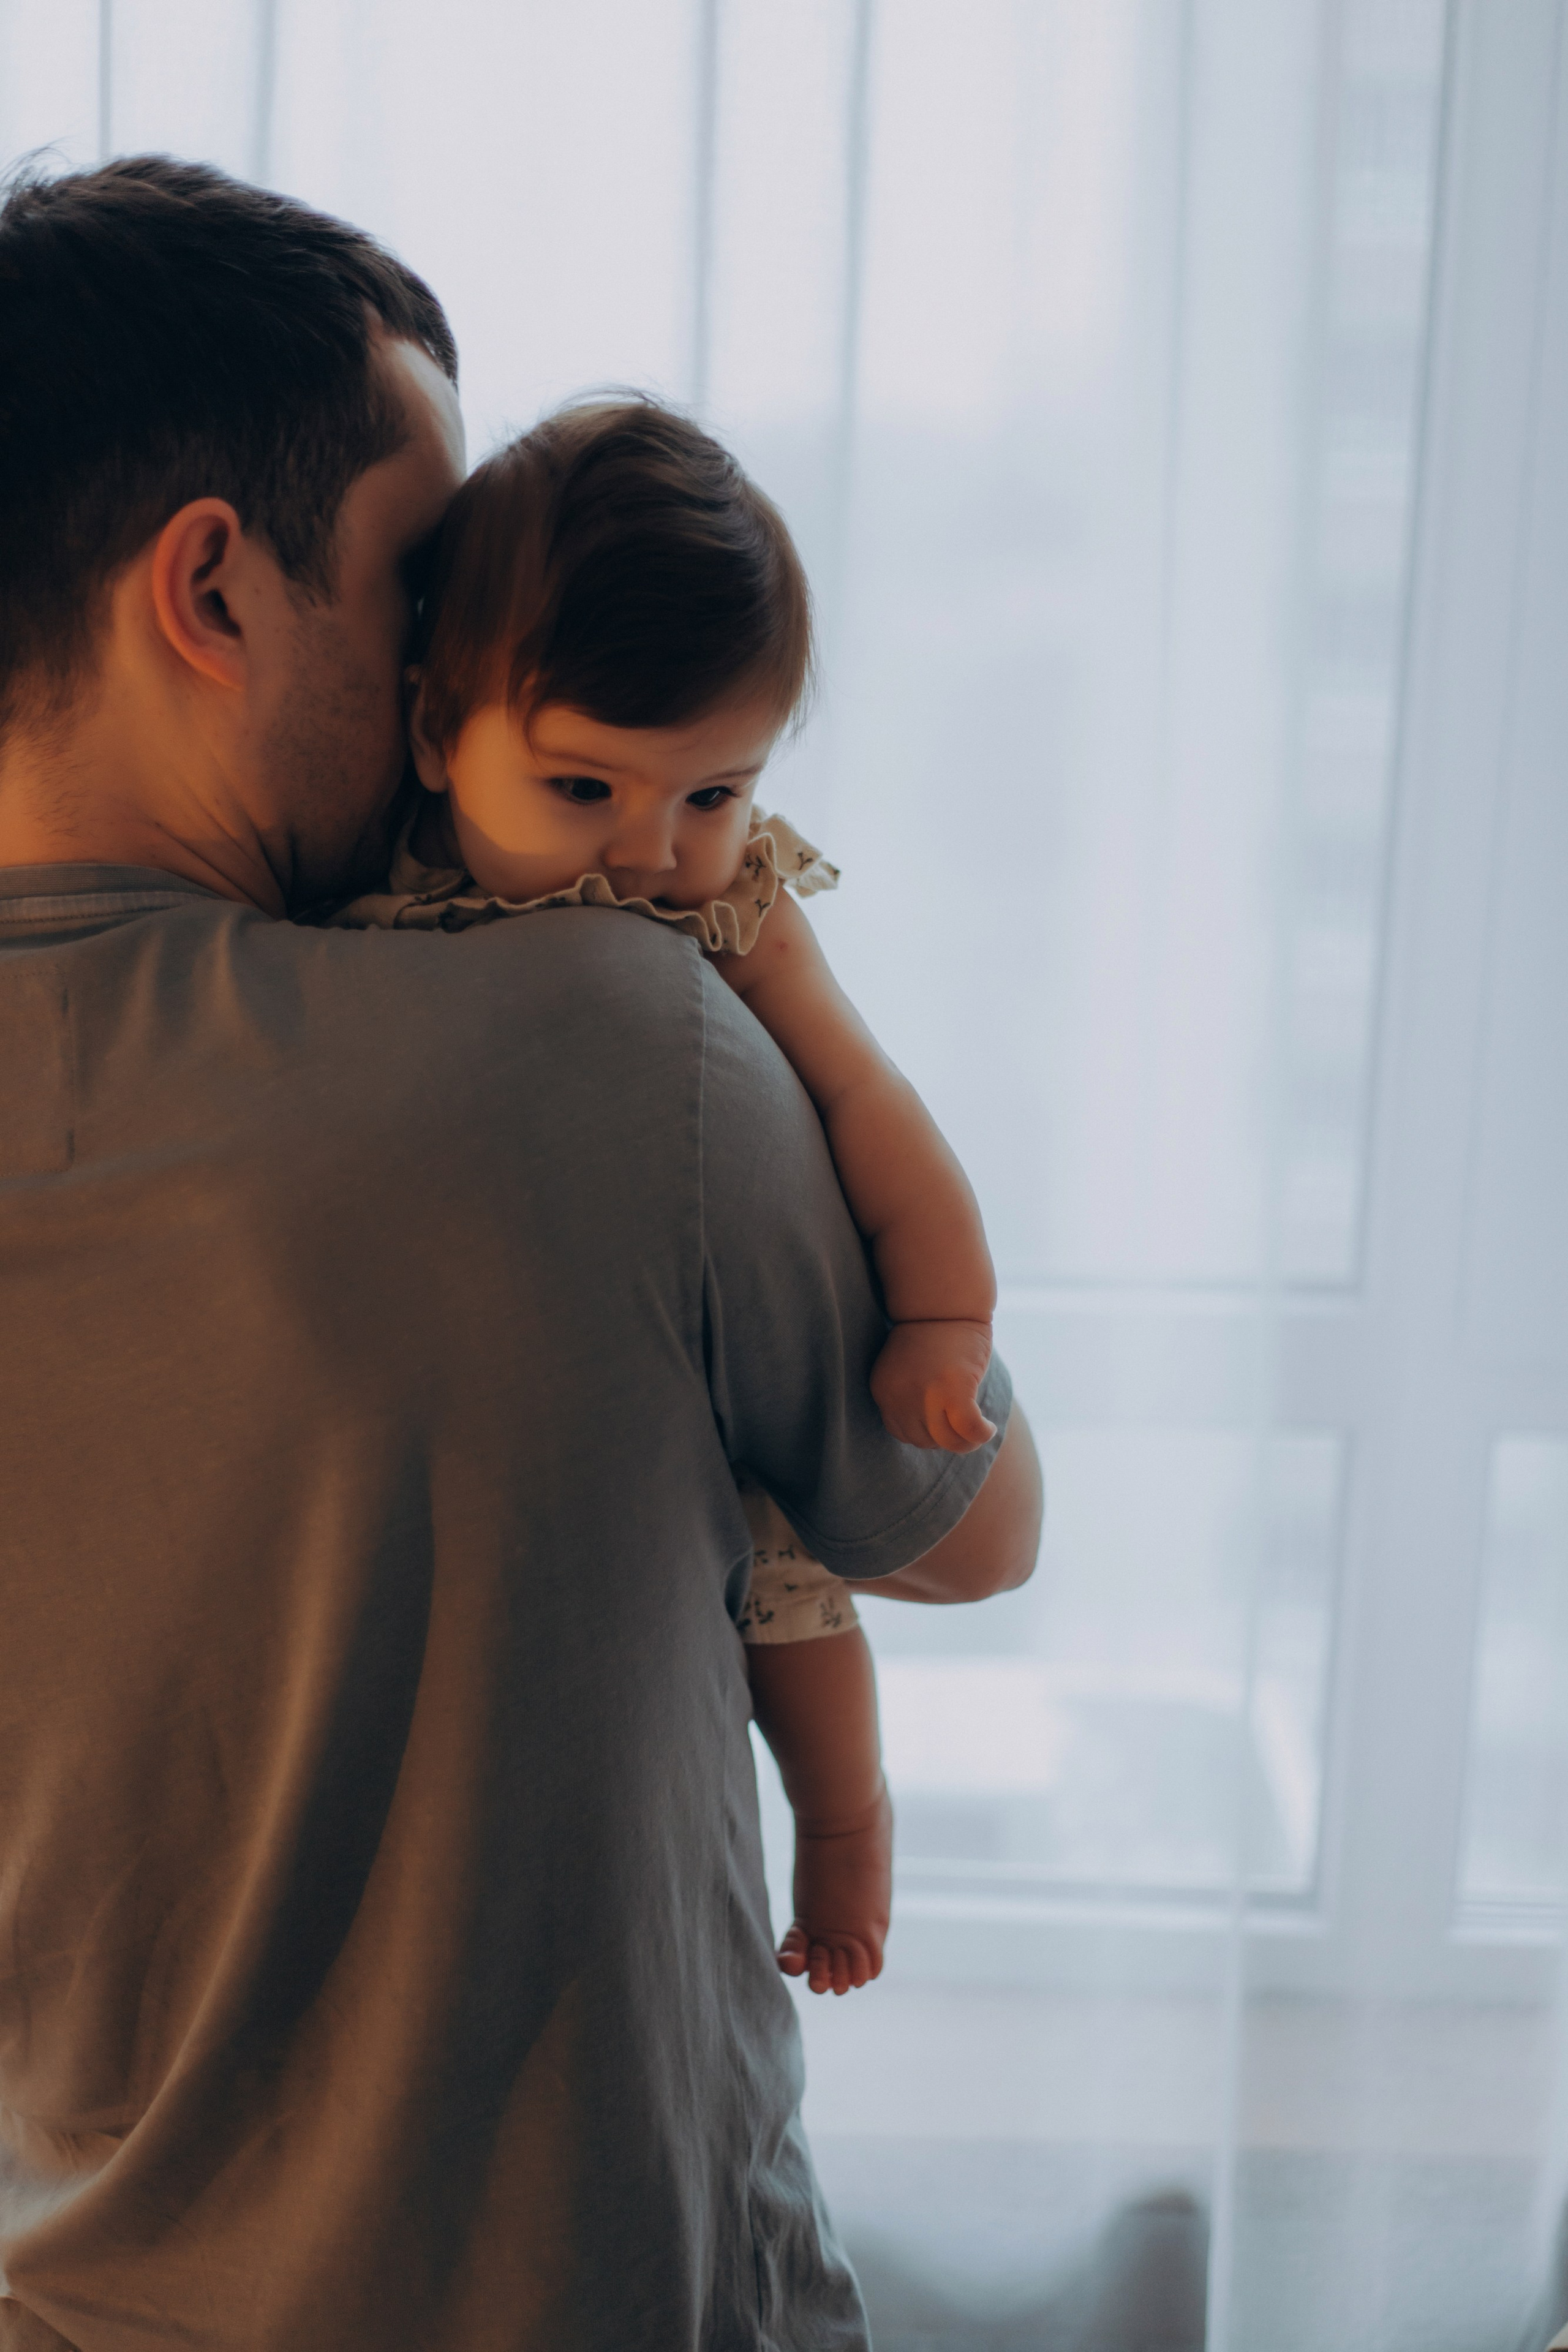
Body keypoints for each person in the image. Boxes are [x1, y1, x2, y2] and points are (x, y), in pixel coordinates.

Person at [0, 155, 1042, 2351]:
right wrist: (775, 1003)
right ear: (212, 588)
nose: (464, 646)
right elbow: (971, 1528)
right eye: (417, 581)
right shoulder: (605, 1035)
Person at [323, 397, 1001, 2002]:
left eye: (713, 795)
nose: (648, 854)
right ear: (434, 733)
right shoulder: (361, 881)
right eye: (584, 791)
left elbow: (870, 1103)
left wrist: (943, 1317)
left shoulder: (738, 926)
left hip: (699, 1369)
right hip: (495, 1388)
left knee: (798, 1620)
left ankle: (847, 1843)